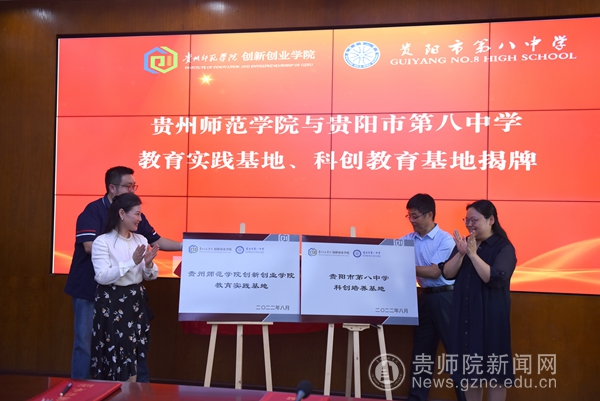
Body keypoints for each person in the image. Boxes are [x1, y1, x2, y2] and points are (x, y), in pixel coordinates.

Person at [64, 166, 182, 381]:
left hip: (126, 294)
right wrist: (128, 258)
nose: (132, 190)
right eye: (128, 186)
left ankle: (138, 389)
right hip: (89, 289)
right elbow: (90, 247)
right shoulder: (93, 212)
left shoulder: (134, 219)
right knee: (86, 343)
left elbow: (156, 241)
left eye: (134, 186)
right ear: (112, 188)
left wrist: (186, 246)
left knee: (134, 344)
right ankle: (82, 390)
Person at [440, 200, 517, 401]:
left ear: (491, 220)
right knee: (468, 374)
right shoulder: (464, 243)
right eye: (466, 220)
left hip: (491, 318)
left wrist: (473, 255)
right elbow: (447, 273)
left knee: (495, 375)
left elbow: (493, 278)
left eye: (474, 220)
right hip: (465, 316)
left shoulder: (503, 247)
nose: (469, 225)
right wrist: (461, 254)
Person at [401, 194, 466, 401]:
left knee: (455, 352)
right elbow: (387, 254)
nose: (412, 221)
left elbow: (435, 272)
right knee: (421, 353)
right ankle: (416, 398)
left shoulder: (445, 240)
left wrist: (402, 266)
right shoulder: (408, 239)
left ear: (429, 215)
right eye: (409, 216)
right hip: (425, 298)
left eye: (415, 216)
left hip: (447, 299)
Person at [89, 193, 158, 381]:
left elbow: (149, 276)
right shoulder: (102, 242)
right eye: (136, 214)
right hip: (112, 303)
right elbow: (102, 276)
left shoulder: (141, 240)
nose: (140, 219)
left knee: (133, 352)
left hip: (135, 302)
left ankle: (132, 390)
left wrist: (149, 264)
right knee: (114, 353)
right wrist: (131, 262)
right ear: (121, 213)